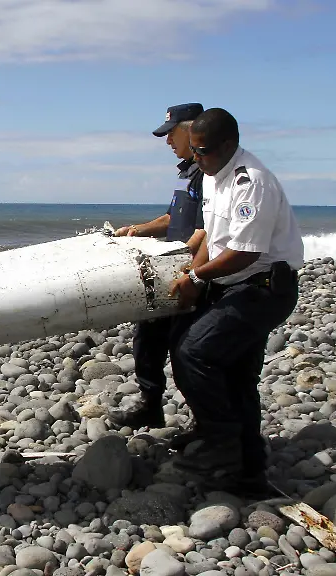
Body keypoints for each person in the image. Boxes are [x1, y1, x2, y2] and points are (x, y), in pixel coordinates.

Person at [167, 108, 303, 495]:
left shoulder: (251, 183)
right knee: (233, 374)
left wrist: (196, 277)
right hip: (234, 284)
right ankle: (248, 473)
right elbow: (213, 233)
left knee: (196, 352)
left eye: (203, 151)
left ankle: (222, 444)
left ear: (230, 145)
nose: (196, 159)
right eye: (193, 151)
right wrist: (195, 274)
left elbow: (245, 252)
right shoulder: (213, 174)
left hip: (263, 288)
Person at [109, 103, 207, 435]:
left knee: (186, 350)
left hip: (192, 271)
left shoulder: (210, 173)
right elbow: (171, 219)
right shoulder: (187, 173)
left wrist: (189, 270)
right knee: (147, 337)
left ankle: (204, 424)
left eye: (171, 134)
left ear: (192, 130)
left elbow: (207, 231)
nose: (167, 142)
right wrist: (136, 229)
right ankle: (151, 406)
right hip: (172, 267)